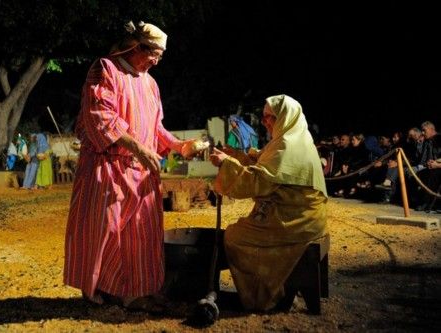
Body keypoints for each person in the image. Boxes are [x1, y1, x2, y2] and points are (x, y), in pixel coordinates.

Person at [63, 21, 199, 309]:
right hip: (108, 168)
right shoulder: (105, 70)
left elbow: (155, 127)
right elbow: (100, 116)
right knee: (108, 232)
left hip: (140, 173)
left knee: (140, 235)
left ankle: (136, 292)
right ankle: (102, 291)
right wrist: (137, 147)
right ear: (137, 47)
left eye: (161, 56)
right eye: (155, 54)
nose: (157, 61)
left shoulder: (150, 83)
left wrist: (178, 146)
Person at [209, 94, 329, 312]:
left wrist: (227, 164)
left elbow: (257, 181)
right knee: (240, 228)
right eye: (263, 117)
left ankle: (264, 295)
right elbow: (263, 164)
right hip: (300, 214)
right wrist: (235, 156)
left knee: (235, 235)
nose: (264, 121)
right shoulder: (293, 138)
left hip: (297, 221)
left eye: (269, 117)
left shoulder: (287, 146)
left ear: (285, 117)